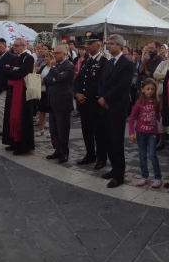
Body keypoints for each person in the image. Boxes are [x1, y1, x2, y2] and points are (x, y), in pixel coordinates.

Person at [98, 35, 134, 188]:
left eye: (111, 44)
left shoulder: (127, 64)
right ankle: (114, 168)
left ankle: (119, 175)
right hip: (104, 105)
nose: (108, 46)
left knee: (116, 141)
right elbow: (101, 82)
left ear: (120, 46)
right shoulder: (108, 63)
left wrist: (107, 99)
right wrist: (101, 97)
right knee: (107, 140)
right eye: (108, 44)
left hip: (117, 107)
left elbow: (122, 86)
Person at [74, 36, 108, 168]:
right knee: (86, 130)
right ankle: (90, 154)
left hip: (95, 103)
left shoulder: (104, 62)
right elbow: (78, 80)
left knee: (99, 132)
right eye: (86, 44)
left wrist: (85, 95)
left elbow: (100, 83)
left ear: (98, 45)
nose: (87, 46)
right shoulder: (85, 61)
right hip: (84, 104)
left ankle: (101, 158)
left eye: (90, 43)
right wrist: (77, 93)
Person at [1, 39, 36, 154]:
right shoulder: (14, 57)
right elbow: (5, 71)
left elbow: (23, 72)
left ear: (23, 46)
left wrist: (14, 71)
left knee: (21, 118)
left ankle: (23, 145)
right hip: (12, 89)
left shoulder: (28, 58)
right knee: (10, 116)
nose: (14, 47)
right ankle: (13, 141)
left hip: (22, 92)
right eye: (13, 45)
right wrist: (13, 70)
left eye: (17, 45)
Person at [44, 47, 75, 163]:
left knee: (63, 129)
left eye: (57, 53)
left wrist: (53, 71)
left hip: (63, 102)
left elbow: (60, 78)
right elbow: (47, 80)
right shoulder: (56, 66)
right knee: (54, 129)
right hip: (52, 101)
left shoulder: (69, 66)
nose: (55, 55)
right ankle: (57, 149)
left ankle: (64, 152)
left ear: (64, 54)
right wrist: (54, 78)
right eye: (54, 53)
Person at [129, 79, 162, 188]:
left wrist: (160, 119)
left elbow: (156, 114)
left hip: (152, 133)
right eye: (148, 89)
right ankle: (144, 176)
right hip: (140, 133)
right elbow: (132, 117)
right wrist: (131, 132)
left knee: (152, 154)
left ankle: (158, 177)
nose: (150, 91)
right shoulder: (139, 102)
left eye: (152, 89)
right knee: (142, 155)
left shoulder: (156, 102)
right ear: (142, 90)